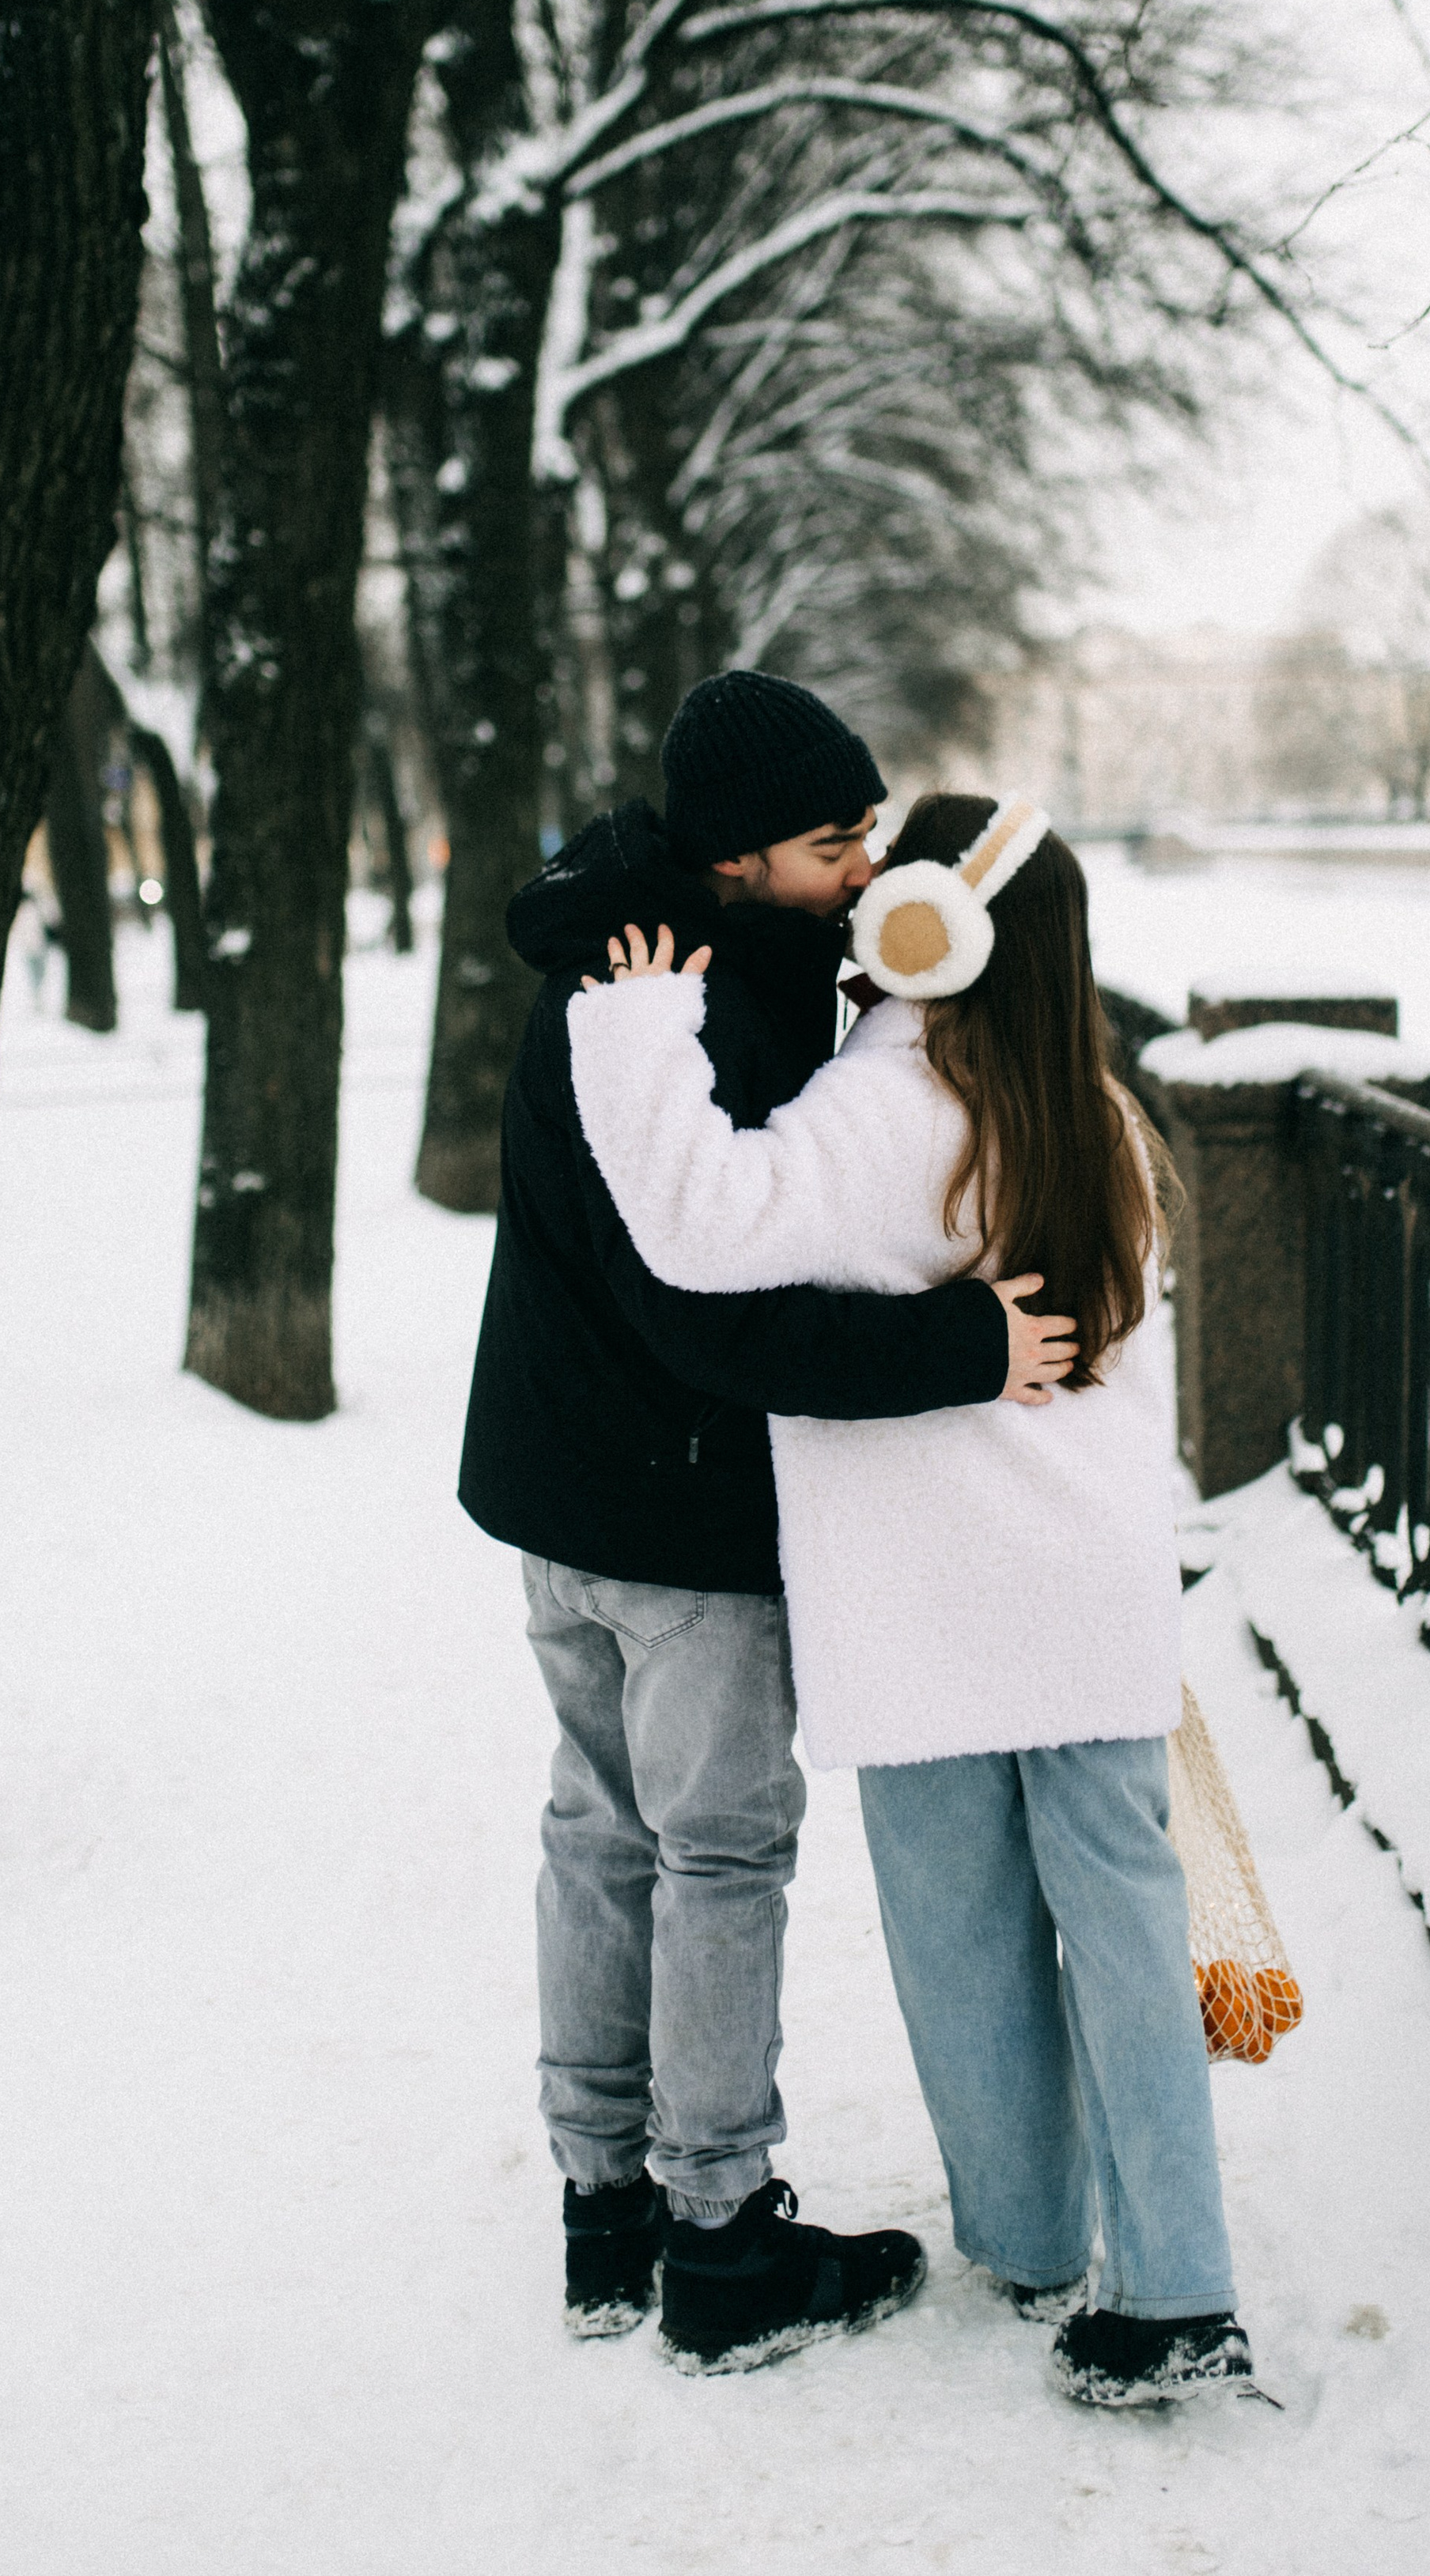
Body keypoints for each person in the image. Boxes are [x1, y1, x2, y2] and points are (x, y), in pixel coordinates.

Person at [566, 790, 1258, 2411]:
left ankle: (1022, 2237)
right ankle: (1178, 2286)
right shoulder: (1097, 1119)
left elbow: (696, 1220)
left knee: (960, 1942)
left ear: (924, 934)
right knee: (1127, 1936)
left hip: (923, 1616)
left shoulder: (881, 1117)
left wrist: (639, 1016)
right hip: (1088, 1608)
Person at [459, 678, 1077, 2374]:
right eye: (834, 843)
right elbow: (710, 1304)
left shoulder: (627, 953)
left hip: (556, 1488)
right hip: (676, 1508)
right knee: (713, 1858)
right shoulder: (702, 999)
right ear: (739, 860)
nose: (864, 863)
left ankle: (609, 2220)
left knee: (595, 1835)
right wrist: (969, 1344)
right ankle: (722, 2247)